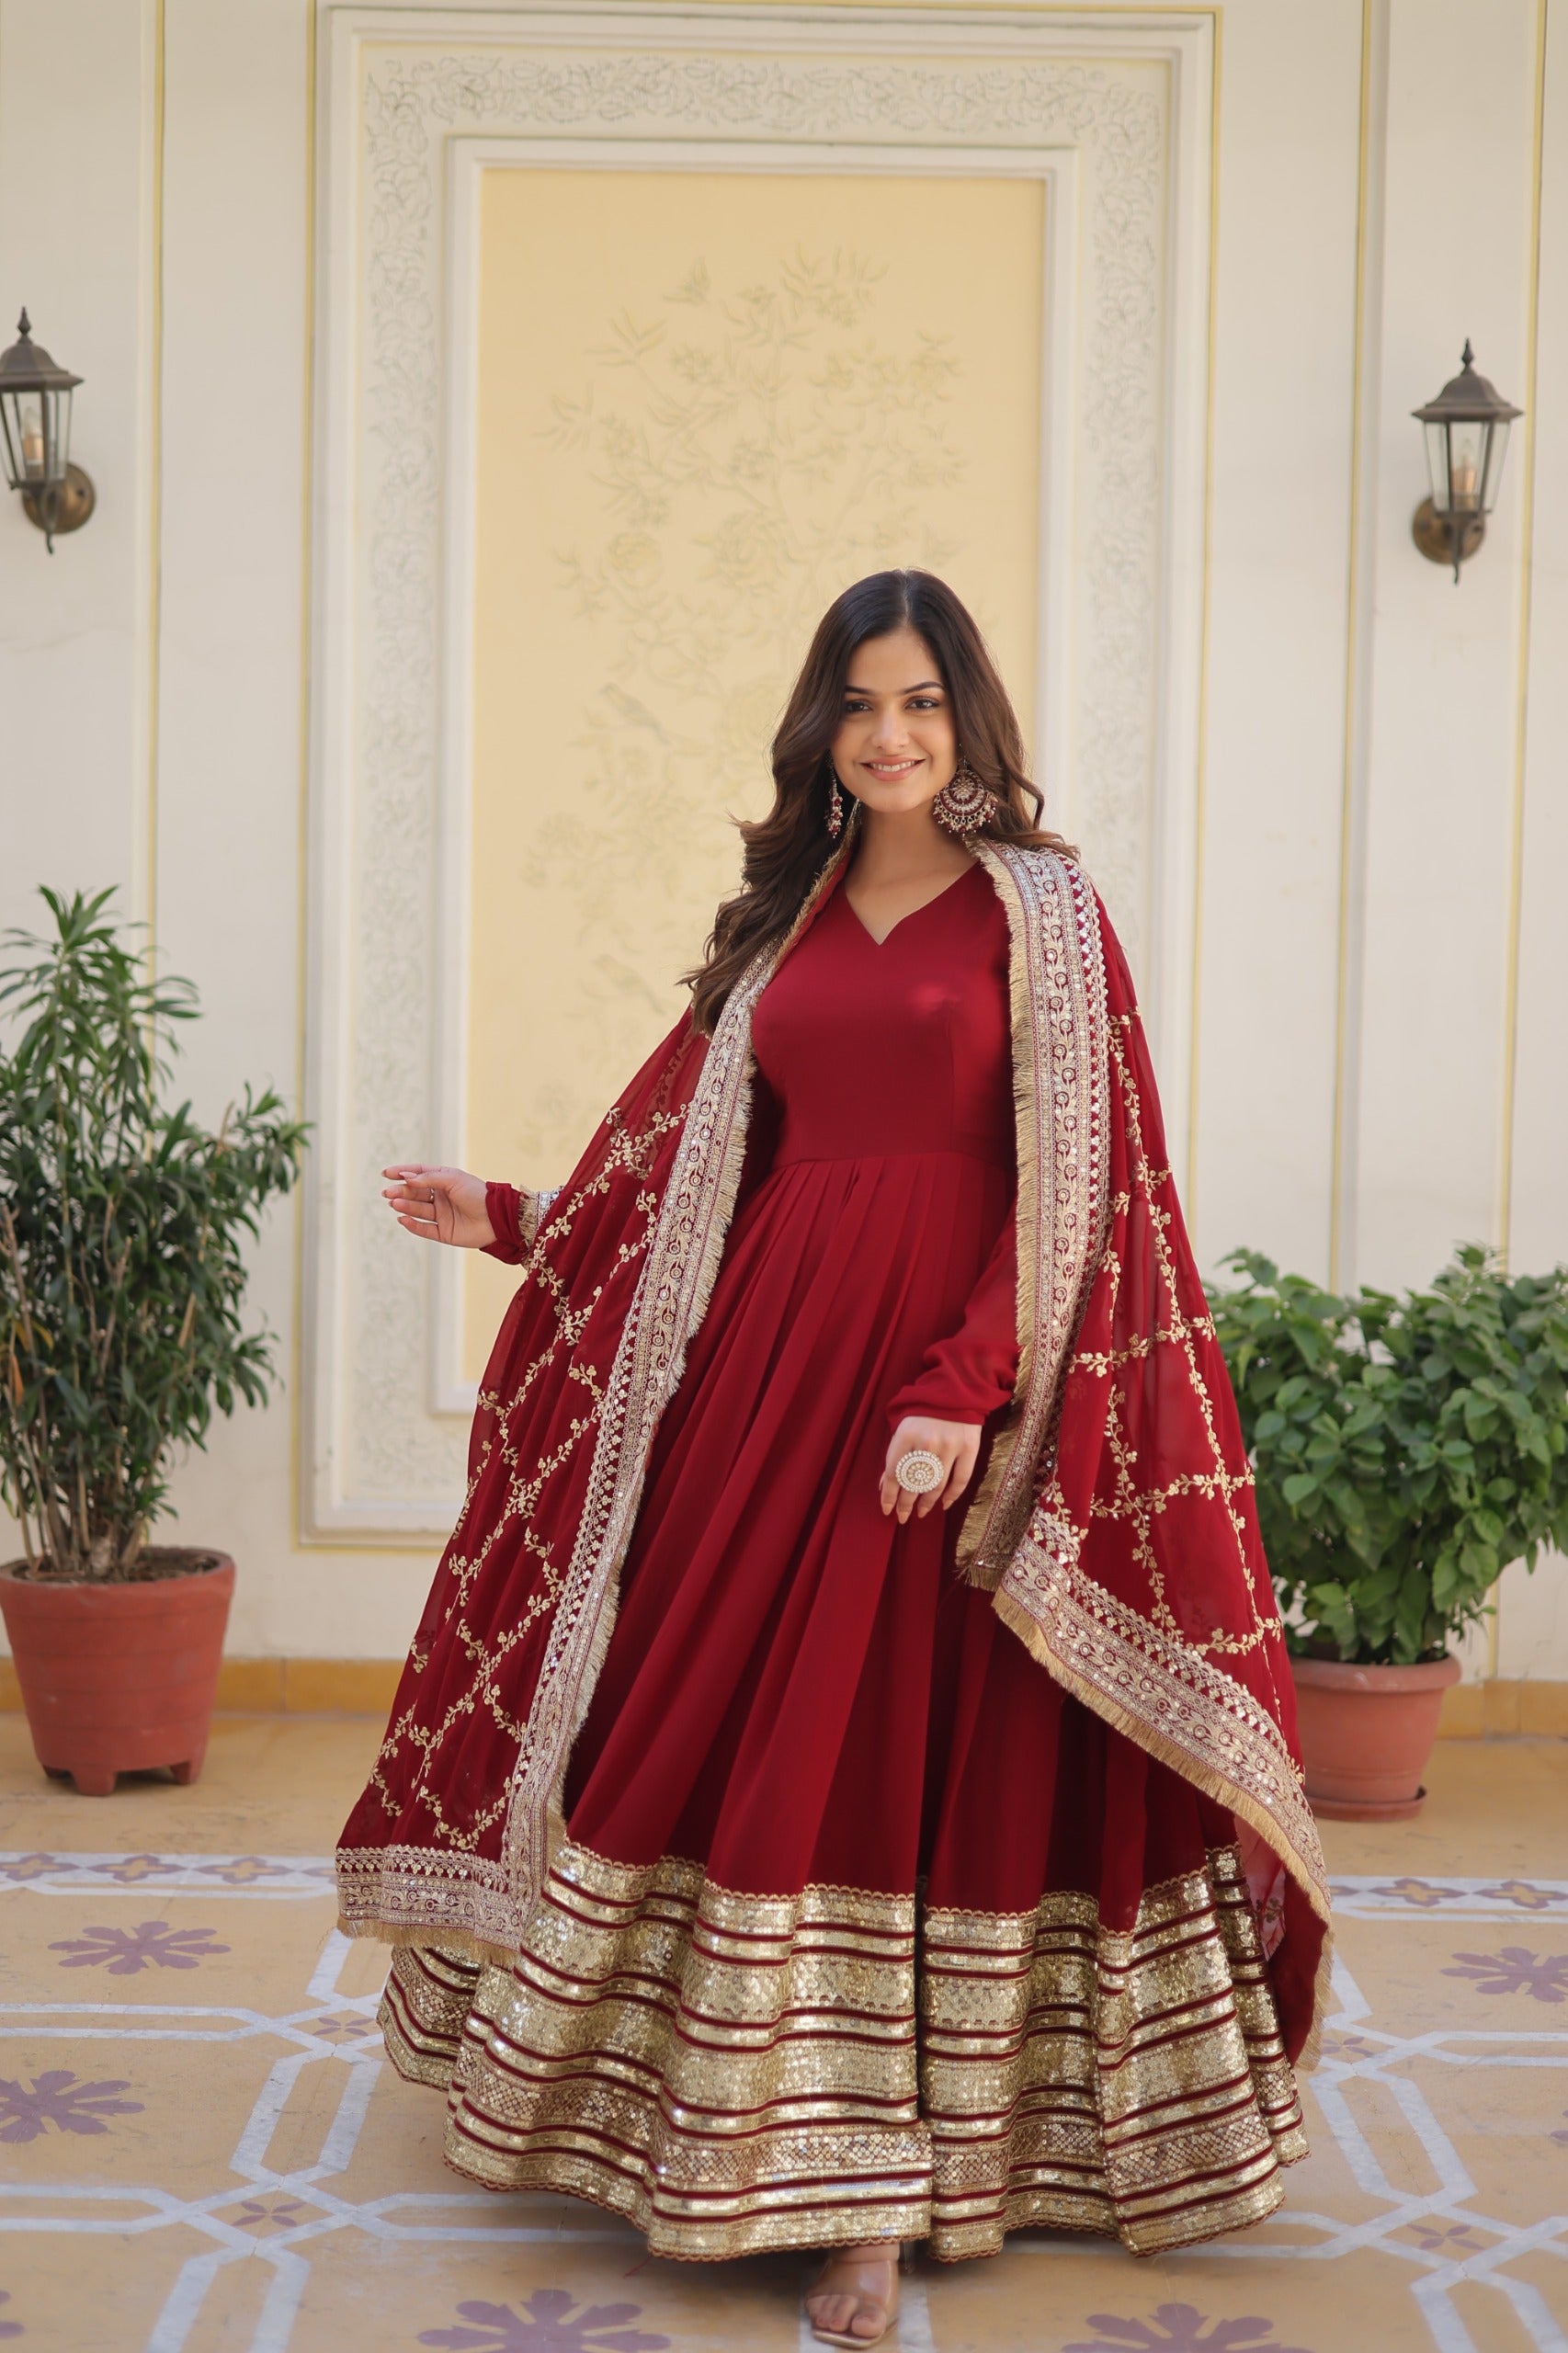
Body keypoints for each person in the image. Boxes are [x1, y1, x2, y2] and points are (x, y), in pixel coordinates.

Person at [336, 571, 1329, 2348]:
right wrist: (507, 1216)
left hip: (954, 1396)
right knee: (725, 1722)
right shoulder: (784, 921)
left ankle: (877, 2198)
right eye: (863, 704)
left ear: (969, 723)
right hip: (765, 1386)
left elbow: (1075, 1180)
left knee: (892, 1754)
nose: (890, 735)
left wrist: (960, 1387)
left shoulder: (1043, 909)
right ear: (823, 726)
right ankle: (724, 2135)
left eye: (925, 704)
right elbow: (690, 1183)